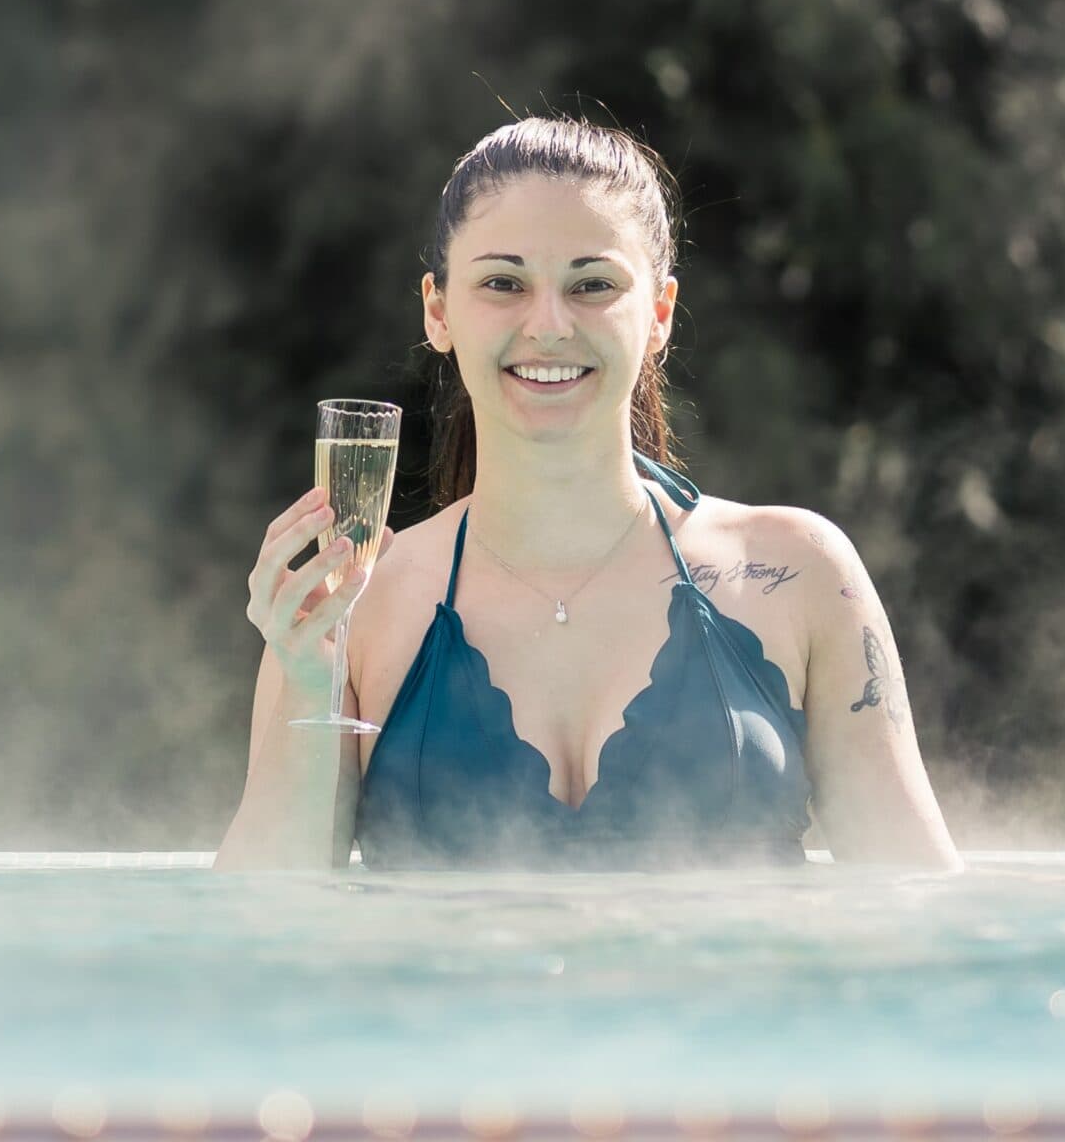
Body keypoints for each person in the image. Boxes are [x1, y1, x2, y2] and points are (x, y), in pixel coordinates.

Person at [215, 115, 962, 872]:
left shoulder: (797, 574)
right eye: (503, 283)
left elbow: (915, 900)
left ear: (660, 313)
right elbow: (266, 920)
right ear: (437, 311)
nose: (548, 325)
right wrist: (308, 686)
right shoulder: (352, 607)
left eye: (592, 284)